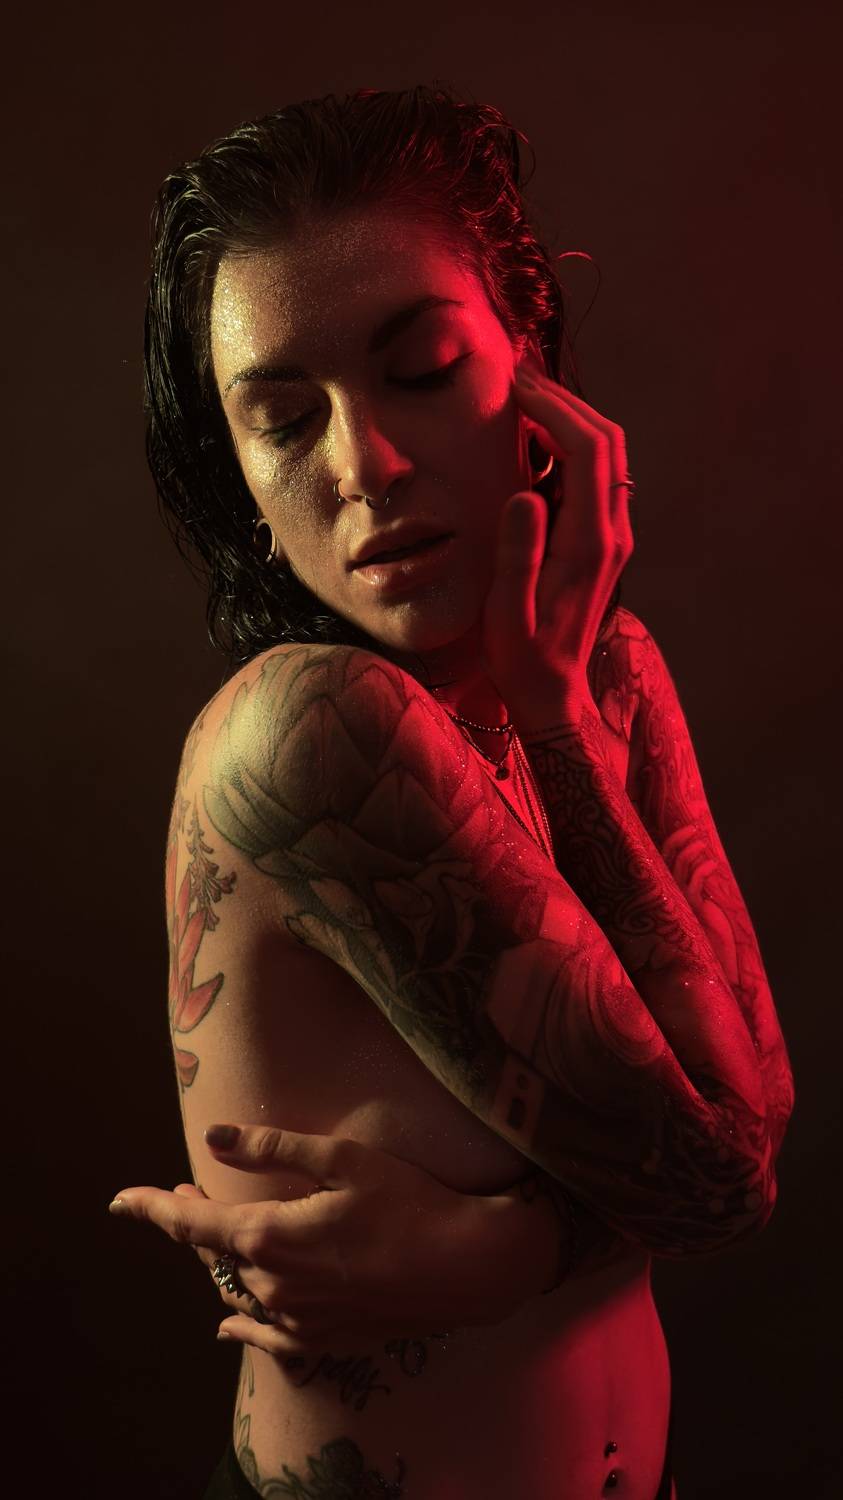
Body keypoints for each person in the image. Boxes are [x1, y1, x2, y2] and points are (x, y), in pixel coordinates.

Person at [110, 84, 795, 1499]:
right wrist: (547, 1240)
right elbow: (721, 1179)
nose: (364, 464)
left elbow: (753, 1114)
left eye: (420, 368)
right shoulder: (311, 733)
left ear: (530, 374)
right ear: (241, 479)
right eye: (283, 419)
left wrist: (556, 716)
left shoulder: (602, 670)